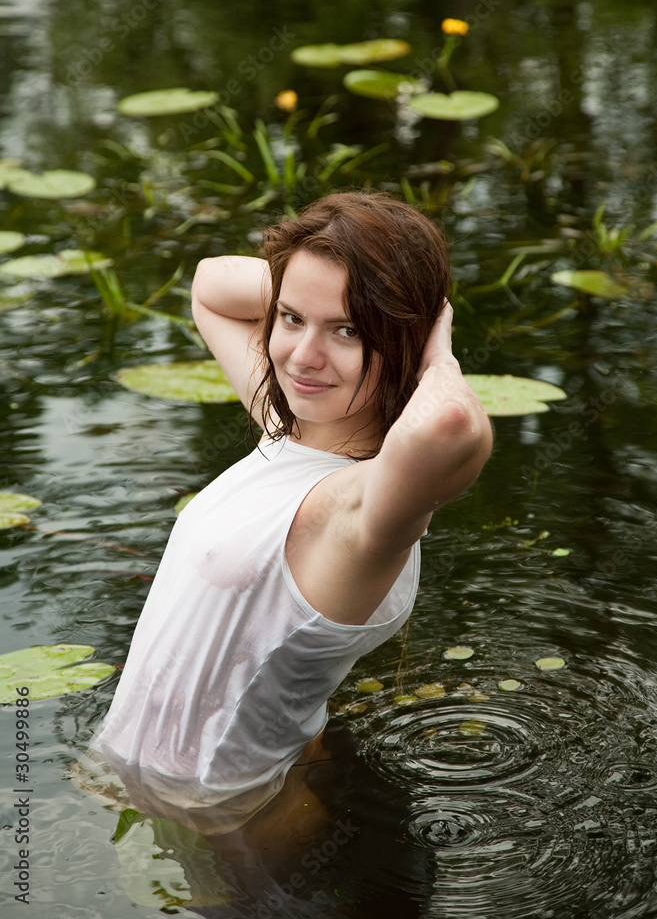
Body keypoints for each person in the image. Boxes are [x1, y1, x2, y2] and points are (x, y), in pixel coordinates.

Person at [87, 190, 493, 842]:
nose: (302, 356)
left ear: (403, 342)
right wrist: (313, 283)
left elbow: (446, 425)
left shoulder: (354, 512)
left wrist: (433, 345)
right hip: (166, 794)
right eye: (290, 318)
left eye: (347, 330)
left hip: (229, 825)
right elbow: (210, 287)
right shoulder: (289, 430)